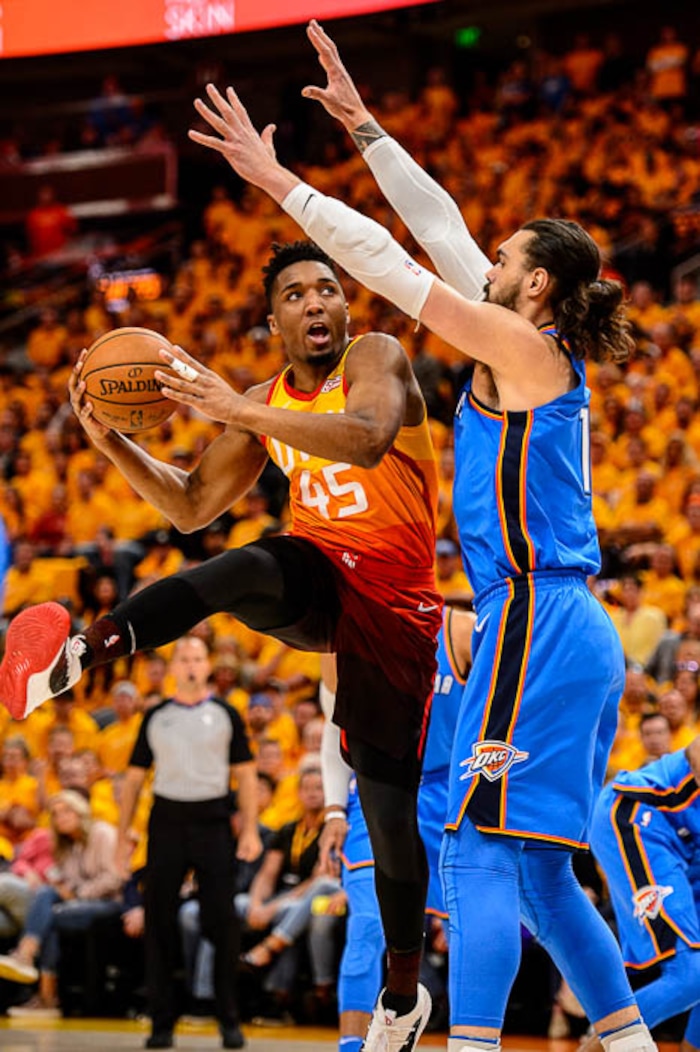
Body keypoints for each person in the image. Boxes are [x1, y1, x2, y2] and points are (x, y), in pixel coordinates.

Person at [178, 21, 657, 1052]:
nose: (487, 259)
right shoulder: (524, 337)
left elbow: (394, 265)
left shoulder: (517, 342)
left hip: (535, 616)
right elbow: (438, 225)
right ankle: (630, 1041)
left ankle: (470, 1044)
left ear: (535, 284)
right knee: (538, 872)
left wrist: (278, 181)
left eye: (505, 257)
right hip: (564, 623)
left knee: (478, 852)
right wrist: (364, 126)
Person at [0, 240, 442, 1039]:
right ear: (274, 321)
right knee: (242, 565)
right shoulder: (265, 400)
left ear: (345, 307)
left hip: (396, 607)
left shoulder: (375, 356)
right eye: (296, 295)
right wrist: (112, 442)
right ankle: (77, 657)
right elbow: (191, 504)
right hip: (317, 575)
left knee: (387, 819)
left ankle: (405, 997)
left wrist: (235, 409)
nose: (315, 302)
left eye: (327, 289)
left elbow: (369, 436)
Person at [318, 606, 474, 1052]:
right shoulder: (347, 633)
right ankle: (352, 1044)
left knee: (466, 930)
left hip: (447, 791)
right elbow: (336, 727)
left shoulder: (461, 630)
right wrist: (333, 810)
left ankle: (472, 1040)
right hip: (378, 786)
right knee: (368, 924)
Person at [116, 635, 260, 1050]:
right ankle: (161, 1023)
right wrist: (123, 834)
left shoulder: (226, 714)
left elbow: (246, 774)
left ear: (207, 666)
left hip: (213, 820)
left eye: (198, 658)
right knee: (159, 919)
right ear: (173, 668)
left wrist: (250, 829)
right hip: (166, 820)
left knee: (222, 921)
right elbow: (133, 779)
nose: (192, 665)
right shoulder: (156, 715)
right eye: (184, 659)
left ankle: (228, 1018)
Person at [588, 738, 700, 1051]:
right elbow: (696, 749)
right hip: (643, 814)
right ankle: (593, 1047)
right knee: (691, 975)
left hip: (687, 841)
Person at [0, 789, 122, 1018]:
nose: (61, 818)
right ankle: (42, 989)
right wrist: (61, 886)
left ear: (81, 811)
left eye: (67, 811)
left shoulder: (103, 833)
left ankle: (35, 973)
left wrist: (79, 893)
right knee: (47, 895)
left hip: (111, 903)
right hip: (77, 904)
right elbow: (67, 880)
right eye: (55, 814)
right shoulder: (66, 845)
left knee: (52, 916)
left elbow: (115, 877)